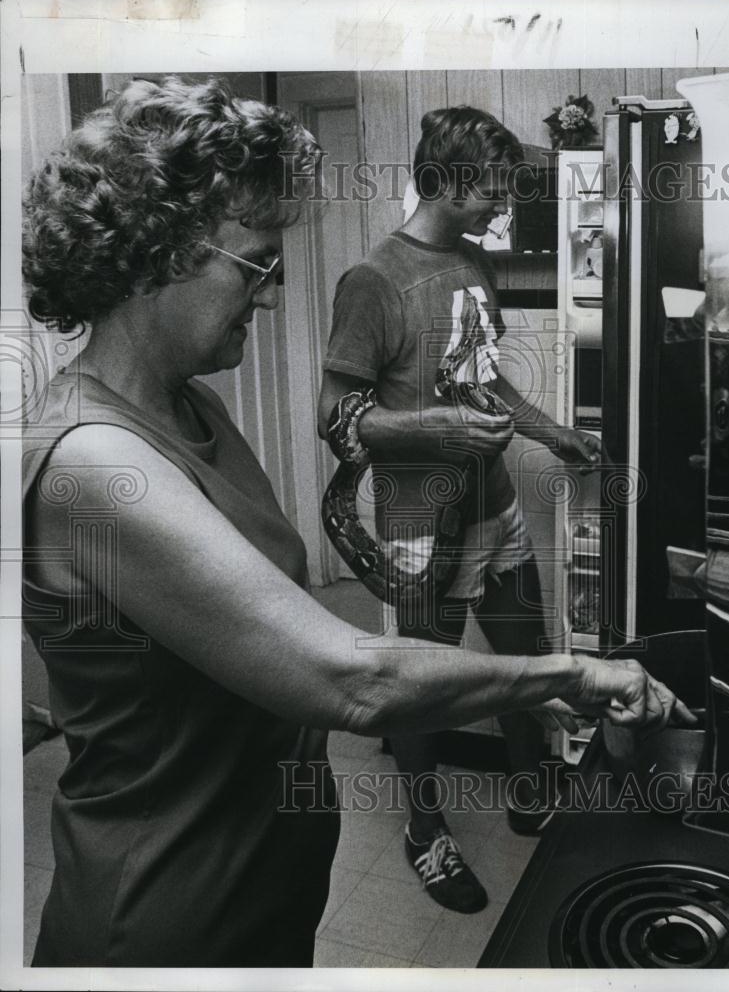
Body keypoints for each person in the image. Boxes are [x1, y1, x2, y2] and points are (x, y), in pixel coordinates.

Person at [21, 77, 692, 967]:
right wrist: (567, 672)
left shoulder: (194, 411)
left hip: (261, 878)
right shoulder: (93, 462)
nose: (270, 297)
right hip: (163, 913)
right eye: (257, 263)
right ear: (159, 254)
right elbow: (350, 680)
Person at [318, 106, 606, 914]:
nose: (500, 208)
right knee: (420, 684)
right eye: (489, 192)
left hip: (494, 506)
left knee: (523, 654)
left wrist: (552, 435)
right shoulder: (372, 280)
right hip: (416, 519)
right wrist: (432, 425)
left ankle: (528, 788)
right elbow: (334, 415)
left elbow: (484, 378)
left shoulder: (473, 266)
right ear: (441, 181)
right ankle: (424, 831)